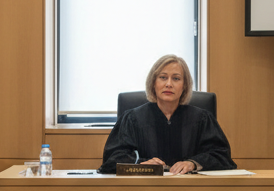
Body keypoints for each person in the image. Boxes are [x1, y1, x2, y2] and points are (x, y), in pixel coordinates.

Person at [99, 54, 236, 174]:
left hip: (190, 189)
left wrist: (193, 163)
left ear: (185, 86)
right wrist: (141, 164)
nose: (169, 84)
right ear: (153, 83)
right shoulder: (132, 119)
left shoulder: (202, 119)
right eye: (163, 77)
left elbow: (222, 156)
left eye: (176, 78)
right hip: (144, 188)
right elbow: (112, 159)